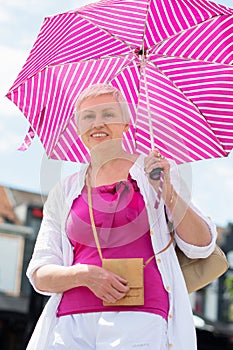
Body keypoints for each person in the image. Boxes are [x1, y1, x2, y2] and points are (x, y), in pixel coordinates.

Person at [26, 84, 217, 350]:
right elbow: (40, 273)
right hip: (71, 323)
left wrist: (167, 190)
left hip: (141, 316)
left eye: (108, 114)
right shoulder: (64, 191)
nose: (98, 123)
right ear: (78, 128)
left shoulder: (154, 172)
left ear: (127, 123)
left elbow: (201, 245)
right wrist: (84, 274)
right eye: (88, 116)